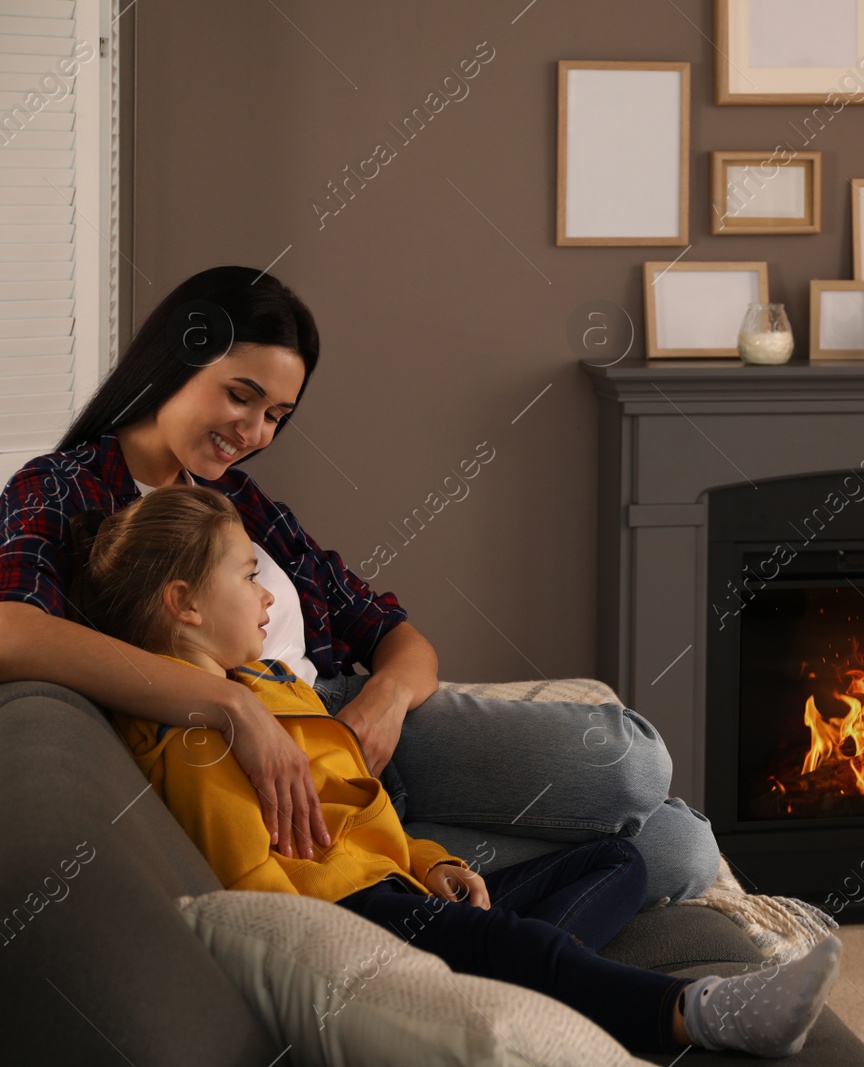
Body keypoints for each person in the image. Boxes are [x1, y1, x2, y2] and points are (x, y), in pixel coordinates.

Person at [0, 265, 721, 907]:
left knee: (649, 788)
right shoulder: (64, 487)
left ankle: (438, 882)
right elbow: (13, 630)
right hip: (282, 797)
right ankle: (428, 891)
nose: (253, 430)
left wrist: (387, 699)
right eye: (241, 397)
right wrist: (229, 704)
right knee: (666, 829)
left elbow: (395, 634)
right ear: (178, 357)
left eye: (277, 416)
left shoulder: (244, 505)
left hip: (359, 736)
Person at [73, 483, 842, 1057]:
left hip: (397, 885)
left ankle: (511, 966)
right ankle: (705, 1011)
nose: (266, 595)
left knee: (623, 858)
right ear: (186, 604)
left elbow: (365, 813)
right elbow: (253, 886)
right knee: (523, 942)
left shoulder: (270, 686)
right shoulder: (199, 736)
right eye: (247, 577)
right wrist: (358, 953)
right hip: (357, 917)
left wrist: (433, 861)